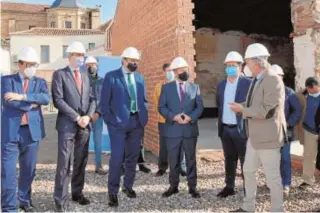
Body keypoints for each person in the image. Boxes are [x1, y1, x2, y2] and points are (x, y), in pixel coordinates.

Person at [229, 43, 286, 212]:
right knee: (248, 171)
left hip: (268, 138)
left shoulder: (272, 79)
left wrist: (242, 110)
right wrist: (241, 105)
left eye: (247, 62)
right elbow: (253, 103)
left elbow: (266, 111)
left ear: (257, 62)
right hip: (254, 137)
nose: (246, 66)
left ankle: (277, 209)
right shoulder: (257, 79)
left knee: (272, 178)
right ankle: (248, 207)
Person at [1, 47, 50, 212]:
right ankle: (8, 207)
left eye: (35, 64)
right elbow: (9, 101)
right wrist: (32, 104)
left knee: (28, 170)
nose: (33, 68)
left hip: (31, 132)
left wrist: (22, 97)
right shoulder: (7, 80)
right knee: (8, 171)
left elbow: (45, 99)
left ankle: (24, 200)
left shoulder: (40, 82)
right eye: (30, 64)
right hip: (11, 132)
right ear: (20, 64)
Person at [100, 46, 148, 207]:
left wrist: (143, 119)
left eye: (136, 61)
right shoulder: (111, 77)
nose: (134, 63)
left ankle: (128, 186)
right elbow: (104, 104)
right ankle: (112, 192)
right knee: (117, 158)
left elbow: (144, 100)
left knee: (132, 157)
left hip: (136, 123)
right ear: (124, 60)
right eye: (132, 60)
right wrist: (111, 123)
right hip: (118, 126)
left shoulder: (140, 78)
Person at [52, 41, 96, 211]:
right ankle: (60, 200)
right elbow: (58, 100)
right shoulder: (59, 74)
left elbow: (92, 98)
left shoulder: (85, 75)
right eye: (78, 55)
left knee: (81, 161)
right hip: (67, 126)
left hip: (84, 125)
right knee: (64, 163)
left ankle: (77, 193)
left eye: (82, 55)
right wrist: (77, 117)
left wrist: (88, 116)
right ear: (70, 56)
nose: (81, 58)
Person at [159, 57, 204, 198]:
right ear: (175, 72)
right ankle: (173, 186)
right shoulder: (166, 88)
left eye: (185, 69)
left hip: (190, 130)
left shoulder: (194, 87)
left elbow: (200, 106)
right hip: (173, 130)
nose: (184, 72)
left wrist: (191, 117)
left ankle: (192, 187)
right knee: (174, 160)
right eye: (181, 70)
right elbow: (161, 107)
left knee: (191, 159)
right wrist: (174, 116)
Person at [216, 51, 251, 198]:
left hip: (240, 129)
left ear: (240, 67)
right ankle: (229, 186)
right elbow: (219, 104)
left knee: (246, 160)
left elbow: (252, 106)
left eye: (233, 65)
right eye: (228, 66)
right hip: (225, 129)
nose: (230, 68)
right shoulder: (221, 85)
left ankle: (248, 189)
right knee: (229, 159)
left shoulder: (248, 84)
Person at [271, 64, 302, 195]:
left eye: (277, 77)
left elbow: (297, 111)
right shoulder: (265, 92)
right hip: (269, 132)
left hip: (285, 132)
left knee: (284, 159)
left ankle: (286, 184)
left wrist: (288, 123)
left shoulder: (290, 93)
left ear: (282, 77)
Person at [154, 63, 187, 177]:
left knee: (180, 143)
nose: (169, 73)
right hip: (163, 120)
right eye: (167, 71)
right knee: (163, 145)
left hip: (178, 120)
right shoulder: (159, 86)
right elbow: (158, 104)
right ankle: (162, 167)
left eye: (171, 71)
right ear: (164, 72)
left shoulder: (179, 85)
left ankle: (181, 166)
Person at [296, 77, 320, 190]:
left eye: (313, 89)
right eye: (309, 89)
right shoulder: (302, 95)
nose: (311, 91)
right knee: (309, 156)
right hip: (309, 130)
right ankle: (308, 180)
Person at [85, 56, 107, 175]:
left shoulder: (103, 81)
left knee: (98, 142)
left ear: (97, 66)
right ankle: (80, 167)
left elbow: (104, 99)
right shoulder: (82, 80)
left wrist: (98, 113)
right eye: (89, 65)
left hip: (98, 116)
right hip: (84, 117)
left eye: (93, 64)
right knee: (82, 142)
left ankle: (98, 166)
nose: (91, 67)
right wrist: (87, 115)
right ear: (85, 66)